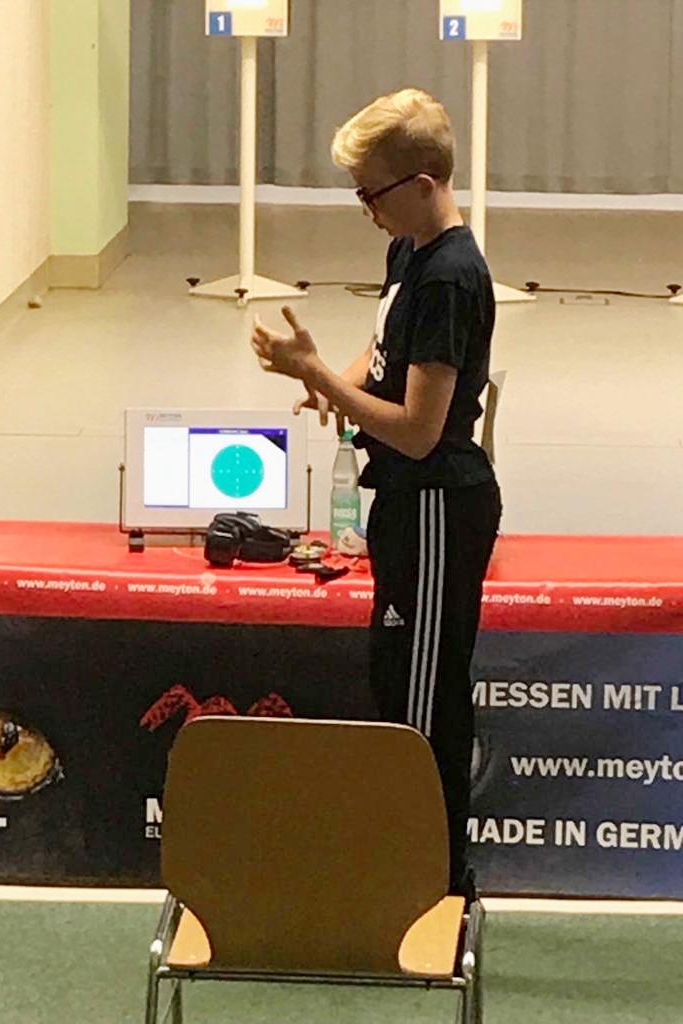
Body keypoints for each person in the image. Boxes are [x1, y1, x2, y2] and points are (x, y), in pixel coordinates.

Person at [250, 88, 501, 899]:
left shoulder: (452, 277)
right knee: (397, 684)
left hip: (437, 505)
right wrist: (332, 381)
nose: (366, 211)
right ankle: (406, 864)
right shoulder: (410, 251)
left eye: (373, 195)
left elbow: (421, 430)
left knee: (425, 704)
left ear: (424, 186)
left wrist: (324, 379)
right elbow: (384, 355)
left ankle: (433, 881)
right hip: (405, 503)